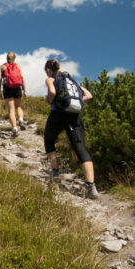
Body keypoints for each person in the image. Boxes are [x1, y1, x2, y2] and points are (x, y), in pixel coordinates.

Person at [43, 59, 99, 199]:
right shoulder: (72, 81)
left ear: (49, 70)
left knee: (49, 141)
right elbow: (89, 95)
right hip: (75, 116)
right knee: (81, 148)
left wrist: (50, 100)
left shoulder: (51, 79)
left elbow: (52, 92)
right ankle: (90, 186)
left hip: (58, 115)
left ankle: (55, 173)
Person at [0, 52, 26, 133]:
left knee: (11, 110)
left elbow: (0, 80)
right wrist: (24, 90)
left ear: (6, 58)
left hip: (7, 88)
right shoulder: (17, 66)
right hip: (17, 87)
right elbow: (22, 78)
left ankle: (14, 128)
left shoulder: (2, 67)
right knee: (18, 106)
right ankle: (20, 119)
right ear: (14, 58)